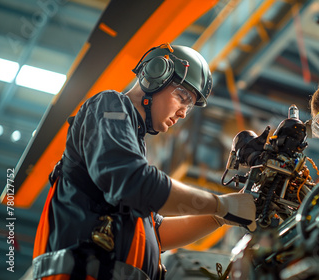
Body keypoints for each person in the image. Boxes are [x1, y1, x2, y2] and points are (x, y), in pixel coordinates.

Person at [32, 44, 256, 280]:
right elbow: (134, 182)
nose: (183, 113)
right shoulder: (108, 105)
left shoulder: (132, 148)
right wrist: (218, 204)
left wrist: (219, 217)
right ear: (155, 75)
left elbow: (157, 234)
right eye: (183, 97)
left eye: (189, 107)